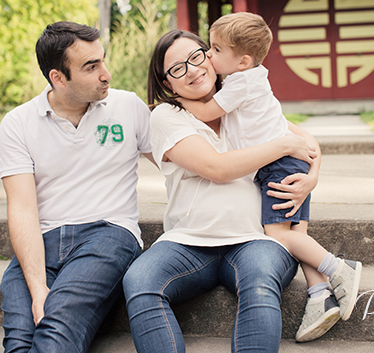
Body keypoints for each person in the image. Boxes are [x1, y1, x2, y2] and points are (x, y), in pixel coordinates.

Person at [122, 29, 323, 353]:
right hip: (188, 242)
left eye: (197, 56)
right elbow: (217, 168)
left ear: (212, 56)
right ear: (166, 83)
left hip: (255, 240)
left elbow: (306, 142)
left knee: (260, 283)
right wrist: (282, 144)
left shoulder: (243, 102)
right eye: (177, 68)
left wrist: (312, 175)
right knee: (140, 281)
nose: (192, 69)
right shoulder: (166, 116)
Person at [175, 13, 363, 342]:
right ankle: (319, 295)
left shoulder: (239, 83)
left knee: (277, 235)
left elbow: (205, 112)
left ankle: (338, 269)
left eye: (214, 50)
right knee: (296, 232)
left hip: (279, 167)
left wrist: (174, 98)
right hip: (288, 163)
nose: (207, 55)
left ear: (243, 60)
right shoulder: (252, 77)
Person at [0, 21, 153, 353]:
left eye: (103, 61)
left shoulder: (127, 108)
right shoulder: (18, 123)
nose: (106, 74)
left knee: (55, 330)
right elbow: (23, 209)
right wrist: (38, 288)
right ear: (58, 77)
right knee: (19, 341)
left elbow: (187, 158)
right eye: (91, 67)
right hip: (44, 243)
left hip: (109, 234)